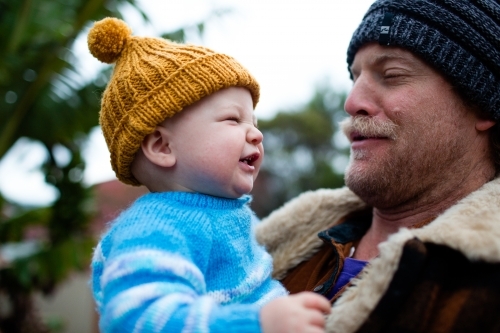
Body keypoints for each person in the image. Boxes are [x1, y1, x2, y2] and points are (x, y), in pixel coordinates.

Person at [255, 0, 500, 332]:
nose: (352, 102)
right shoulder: (263, 250)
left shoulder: (483, 285)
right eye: (355, 77)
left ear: (484, 107)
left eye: (391, 75)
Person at [87, 17, 330, 333]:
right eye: (233, 119)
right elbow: (135, 318)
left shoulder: (229, 213)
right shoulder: (156, 229)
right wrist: (257, 323)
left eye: (254, 122)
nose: (256, 134)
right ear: (162, 146)